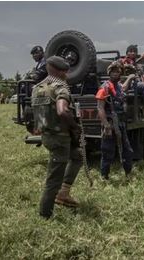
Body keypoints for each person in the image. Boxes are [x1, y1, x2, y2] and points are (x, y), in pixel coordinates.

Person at [31, 56, 82, 219]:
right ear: (63, 71)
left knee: (78, 156)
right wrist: (75, 126)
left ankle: (64, 192)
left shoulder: (37, 87)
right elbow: (62, 111)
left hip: (47, 135)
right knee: (54, 178)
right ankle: (45, 214)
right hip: (60, 138)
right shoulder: (60, 87)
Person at [95, 62, 134, 180]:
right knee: (108, 151)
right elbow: (100, 107)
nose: (115, 74)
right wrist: (106, 125)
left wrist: (131, 78)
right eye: (113, 72)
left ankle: (128, 173)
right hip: (110, 123)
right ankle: (104, 176)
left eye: (118, 72)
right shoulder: (105, 87)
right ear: (109, 73)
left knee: (127, 150)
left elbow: (124, 88)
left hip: (120, 123)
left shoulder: (118, 86)